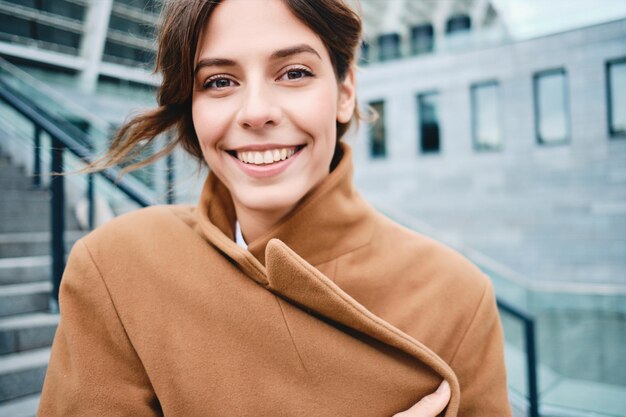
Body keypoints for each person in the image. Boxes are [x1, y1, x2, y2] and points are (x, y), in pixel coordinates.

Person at [38, 0, 511, 416]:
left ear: (346, 91)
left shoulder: (457, 298)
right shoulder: (117, 268)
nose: (256, 111)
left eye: (294, 73)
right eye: (220, 81)